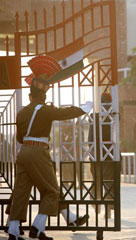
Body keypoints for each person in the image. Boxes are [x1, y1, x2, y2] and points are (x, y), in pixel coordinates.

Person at [8, 55, 92, 240]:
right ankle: (37, 228)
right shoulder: (45, 110)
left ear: (30, 96)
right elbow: (64, 113)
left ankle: (13, 230)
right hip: (38, 152)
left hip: (23, 153)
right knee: (52, 191)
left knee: (21, 191)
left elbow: (21, 138)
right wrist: (84, 108)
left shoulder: (22, 113)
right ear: (43, 96)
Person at [88, 91, 115, 219]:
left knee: (96, 180)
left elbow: (90, 136)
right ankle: (108, 208)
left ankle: (97, 203)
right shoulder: (114, 114)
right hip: (110, 153)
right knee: (109, 182)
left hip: (97, 153)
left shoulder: (94, 115)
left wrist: (91, 149)